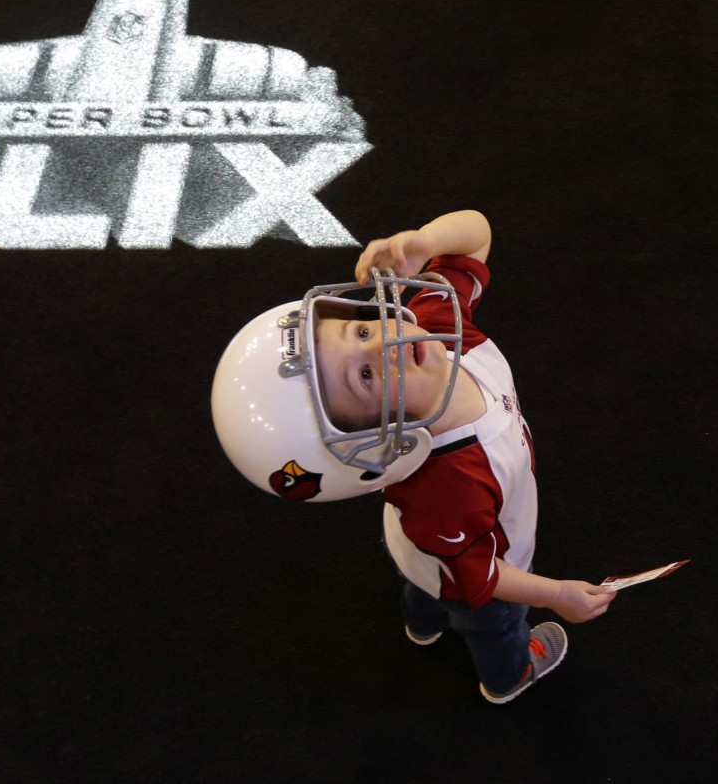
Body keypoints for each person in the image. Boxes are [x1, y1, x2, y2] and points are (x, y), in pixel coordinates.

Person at [211, 209, 616, 703]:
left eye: (359, 332)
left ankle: (422, 625)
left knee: (424, 589)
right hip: (471, 567)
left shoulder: (435, 327)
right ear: (370, 441)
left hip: (421, 550)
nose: (388, 342)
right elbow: (483, 575)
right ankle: (508, 676)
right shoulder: (450, 486)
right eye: (364, 377)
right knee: (492, 622)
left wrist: (424, 242)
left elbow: (475, 237)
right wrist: (556, 596)